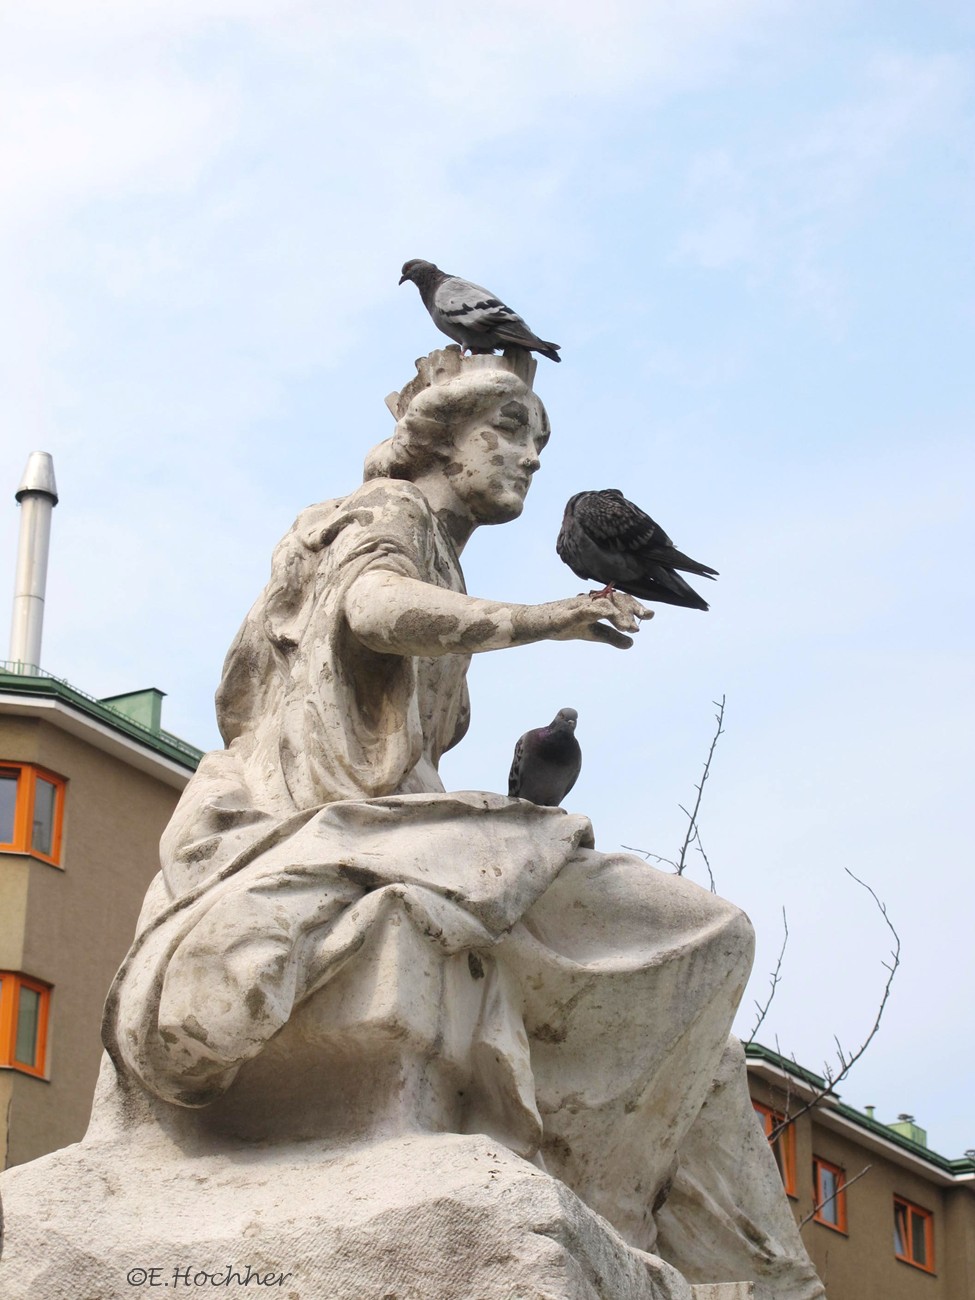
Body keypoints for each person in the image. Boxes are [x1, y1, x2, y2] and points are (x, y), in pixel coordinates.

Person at [102, 348, 823, 1299]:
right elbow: (373, 607)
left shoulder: (438, 550)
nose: (529, 459)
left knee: (709, 1039)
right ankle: (620, 1209)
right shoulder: (383, 517)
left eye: (539, 442)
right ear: (439, 442)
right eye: (509, 433)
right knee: (706, 933)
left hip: (389, 827)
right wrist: (537, 619)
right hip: (323, 826)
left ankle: (703, 1256)